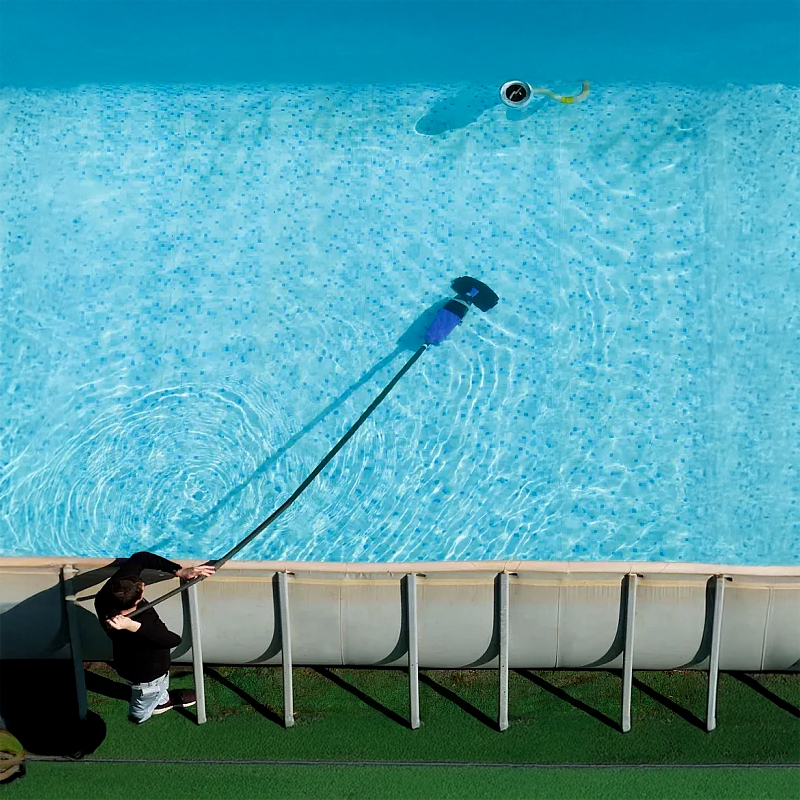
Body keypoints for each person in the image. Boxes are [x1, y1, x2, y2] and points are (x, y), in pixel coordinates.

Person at [94, 551, 215, 724]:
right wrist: (133, 626)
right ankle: (140, 716)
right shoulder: (139, 623)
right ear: (137, 600)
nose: (143, 583)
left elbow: (140, 558)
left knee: (159, 686)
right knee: (144, 698)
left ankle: (162, 700)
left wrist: (179, 571)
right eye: (141, 587)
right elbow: (172, 640)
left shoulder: (108, 594)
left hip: (135, 661)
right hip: (145, 674)